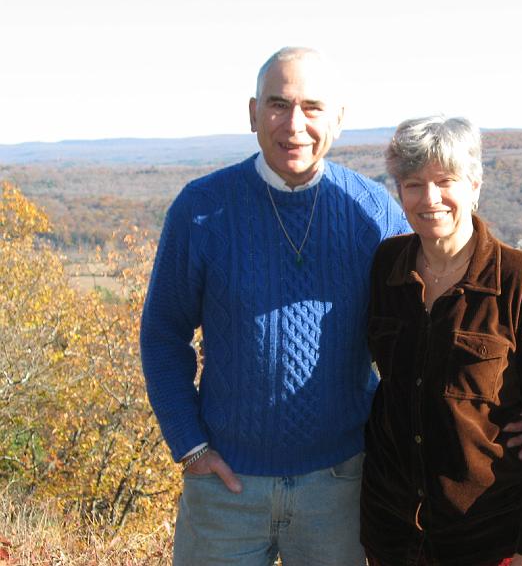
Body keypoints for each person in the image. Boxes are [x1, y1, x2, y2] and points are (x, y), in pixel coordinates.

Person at [139, 47, 410, 565]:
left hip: (340, 486)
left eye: (312, 106)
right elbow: (163, 333)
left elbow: (421, 330)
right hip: (225, 487)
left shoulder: (374, 212)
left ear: (338, 119)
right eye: (277, 104)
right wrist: (190, 446)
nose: (295, 124)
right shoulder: (201, 209)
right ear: (252, 112)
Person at [361, 116, 522, 566]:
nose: (429, 198)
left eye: (445, 181)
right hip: (392, 531)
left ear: (474, 185)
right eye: (414, 184)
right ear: (399, 191)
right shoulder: (387, 267)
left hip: (483, 534)